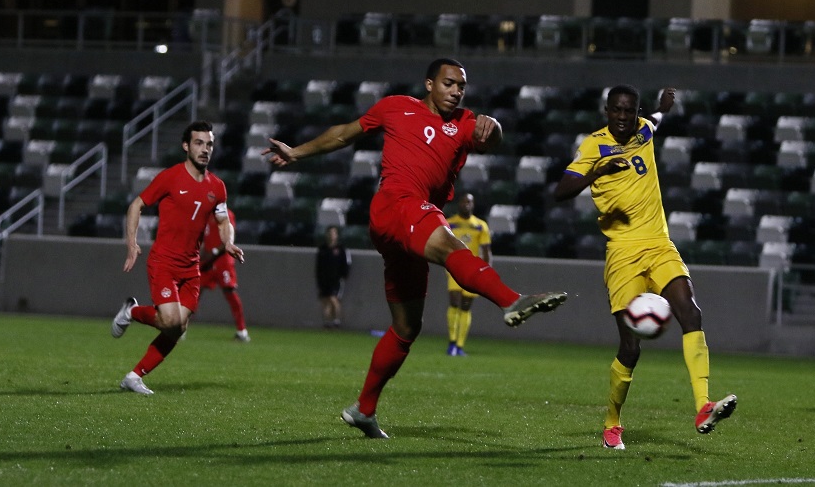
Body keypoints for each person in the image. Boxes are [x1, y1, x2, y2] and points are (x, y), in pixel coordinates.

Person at [262, 57, 567, 439]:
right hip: (396, 205)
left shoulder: (463, 122)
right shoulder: (395, 107)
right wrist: (297, 152)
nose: (456, 91)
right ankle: (510, 300)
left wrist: (496, 126)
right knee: (449, 243)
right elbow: (345, 133)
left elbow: (491, 136)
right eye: (449, 83)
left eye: (461, 86)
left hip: (406, 226)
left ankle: (363, 410)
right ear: (429, 84)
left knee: (407, 328)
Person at [553, 85, 736, 450]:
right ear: (606, 110)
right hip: (622, 253)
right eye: (617, 111)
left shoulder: (643, 129)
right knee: (630, 348)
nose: (623, 117)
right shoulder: (594, 145)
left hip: (659, 243)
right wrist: (598, 171)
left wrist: (662, 107)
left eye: (629, 111)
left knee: (691, 312)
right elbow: (561, 190)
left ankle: (703, 405)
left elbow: (655, 120)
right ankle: (612, 423)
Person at [112, 120, 244, 395]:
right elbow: (136, 205)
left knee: (177, 327)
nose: (205, 149)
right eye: (199, 143)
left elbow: (222, 221)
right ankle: (131, 311)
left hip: (191, 267)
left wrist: (228, 242)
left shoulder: (217, 187)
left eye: (209, 144)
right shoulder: (170, 177)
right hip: (164, 261)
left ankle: (134, 376)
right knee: (171, 321)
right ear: (186, 146)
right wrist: (132, 242)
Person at [445, 193, 492, 356]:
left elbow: (486, 251)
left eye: (469, 202)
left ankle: (459, 345)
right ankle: (451, 342)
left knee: (465, 306)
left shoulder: (481, 226)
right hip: (455, 267)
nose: (466, 204)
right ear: (459, 204)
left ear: (473, 205)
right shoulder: (450, 224)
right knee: (454, 302)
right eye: (464, 202)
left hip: (472, 270)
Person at [199, 207, 250, 342]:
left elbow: (229, 239)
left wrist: (214, 252)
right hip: (208, 261)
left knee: (229, 292)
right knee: (194, 292)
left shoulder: (226, 214)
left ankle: (242, 331)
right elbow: (205, 239)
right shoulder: (205, 214)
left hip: (223, 260)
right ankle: (180, 327)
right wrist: (201, 254)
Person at [316, 225, 351, 329]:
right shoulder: (322, 249)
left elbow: (346, 264)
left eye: (333, 233)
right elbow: (318, 266)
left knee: (333, 299)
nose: (331, 235)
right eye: (329, 233)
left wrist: (344, 275)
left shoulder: (341, 249)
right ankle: (327, 323)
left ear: (337, 235)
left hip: (336, 279)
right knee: (325, 301)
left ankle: (337, 321)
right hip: (324, 280)